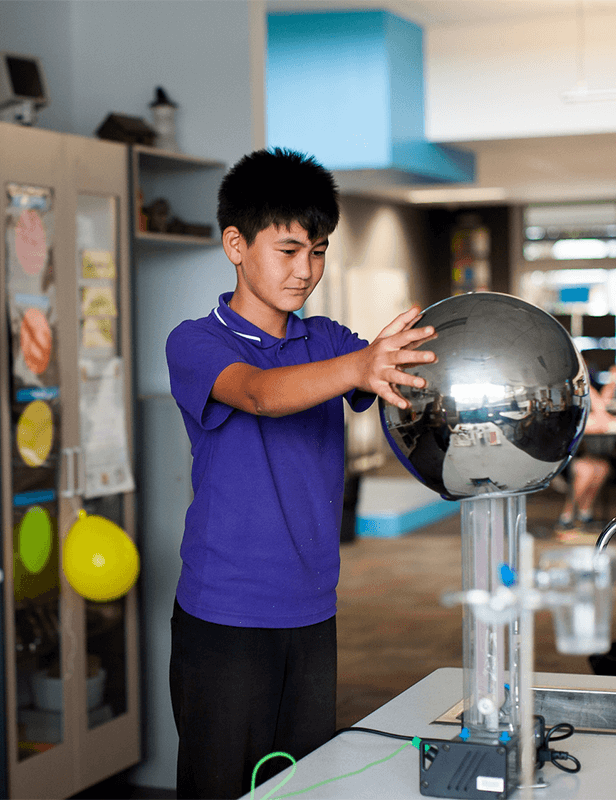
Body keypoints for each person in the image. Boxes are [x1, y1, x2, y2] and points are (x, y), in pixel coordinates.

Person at [165, 148, 436, 799]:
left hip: (313, 609)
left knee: (304, 786)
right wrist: (362, 365)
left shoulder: (329, 340)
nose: (306, 270)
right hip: (224, 612)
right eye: (288, 251)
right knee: (222, 787)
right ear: (235, 243)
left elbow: (400, 403)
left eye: (318, 251)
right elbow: (259, 393)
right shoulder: (197, 342)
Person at [556, 385, 616, 533]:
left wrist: (594, 395)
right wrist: (594, 395)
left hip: (579, 457)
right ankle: (566, 516)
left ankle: (584, 513)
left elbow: (606, 420)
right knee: (587, 470)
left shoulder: (585, 412)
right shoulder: (566, 408)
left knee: (602, 467)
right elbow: (602, 423)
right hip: (559, 462)